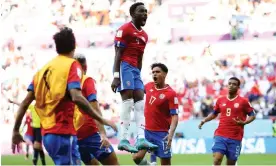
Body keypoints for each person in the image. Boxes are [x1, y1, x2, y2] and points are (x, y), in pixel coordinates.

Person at [12, 27, 117, 165]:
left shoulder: (42, 71)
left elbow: (25, 102)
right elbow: (76, 97)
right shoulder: (71, 65)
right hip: (63, 133)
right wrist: (102, 119)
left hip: (47, 136)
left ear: (57, 48)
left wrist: (15, 130)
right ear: (74, 46)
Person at [111, 2, 157, 153]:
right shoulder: (124, 30)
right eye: (141, 11)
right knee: (128, 101)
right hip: (124, 67)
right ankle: (123, 139)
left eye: (146, 12)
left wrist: (139, 74)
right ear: (132, 13)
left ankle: (141, 138)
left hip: (136, 71)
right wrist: (116, 76)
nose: (145, 14)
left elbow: (140, 57)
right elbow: (117, 53)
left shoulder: (144, 35)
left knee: (140, 104)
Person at [198, 77, 256, 165]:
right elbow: (214, 113)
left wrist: (244, 122)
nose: (231, 86)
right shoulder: (220, 100)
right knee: (217, 159)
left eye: (234, 84)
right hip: (220, 134)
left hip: (235, 137)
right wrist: (204, 120)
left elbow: (252, 115)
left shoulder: (243, 101)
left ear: (238, 87)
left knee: (230, 163)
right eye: (229, 83)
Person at [74, 54, 119, 165]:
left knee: (92, 164)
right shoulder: (87, 80)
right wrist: (103, 134)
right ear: (85, 67)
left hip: (75, 135)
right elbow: (94, 106)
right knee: (113, 164)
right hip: (90, 133)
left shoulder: (67, 84)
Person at [132, 63, 179, 165]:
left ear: (165, 74)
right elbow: (135, 91)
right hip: (145, 131)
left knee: (165, 163)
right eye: (153, 72)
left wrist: (171, 134)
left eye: (157, 72)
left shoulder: (170, 93)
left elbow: (175, 116)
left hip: (161, 134)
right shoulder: (148, 86)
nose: (154, 74)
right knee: (136, 157)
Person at [9, 99, 46, 165]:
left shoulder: (43, 108)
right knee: (38, 147)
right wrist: (13, 101)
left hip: (40, 129)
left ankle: (34, 162)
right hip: (33, 129)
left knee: (37, 146)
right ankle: (43, 162)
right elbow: (22, 104)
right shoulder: (32, 107)